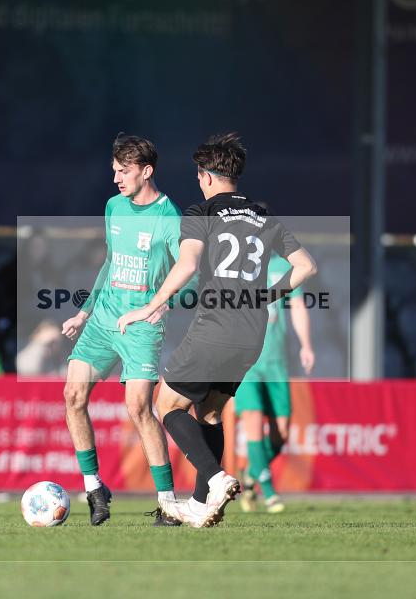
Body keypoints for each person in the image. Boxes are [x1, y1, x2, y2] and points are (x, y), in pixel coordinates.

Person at [117, 133, 317, 528]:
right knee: (208, 412)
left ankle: (217, 477)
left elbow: (188, 265)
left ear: (206, 176)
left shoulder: (200, 211)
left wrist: (150, 306)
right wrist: (264, 296)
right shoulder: (264, 216)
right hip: (252, 334)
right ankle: (200, 502)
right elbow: (307, 266)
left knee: (167, 406)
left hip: (215, 326)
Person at [60, 134, 190, 526]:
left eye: (124, 171)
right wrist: (85, 312)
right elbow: (111, 263)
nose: (116, 177)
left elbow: (190, 276)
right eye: (114, 170)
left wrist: (162, 304)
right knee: (73, 395)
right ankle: (94, 487)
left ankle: (167, 503)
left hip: (142, 327)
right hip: (102, 320)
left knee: (137, 408)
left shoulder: (170, 219)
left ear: (146, 171)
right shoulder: (114, 206)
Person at [236, 252, 315, 514]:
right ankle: (269, 492)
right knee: (253, 421)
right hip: (246, 362)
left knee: (281, 434)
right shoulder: (235, 266)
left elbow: (298, 306)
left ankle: (250, 474)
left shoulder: (284, 267)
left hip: (276, 363)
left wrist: (305, 344)